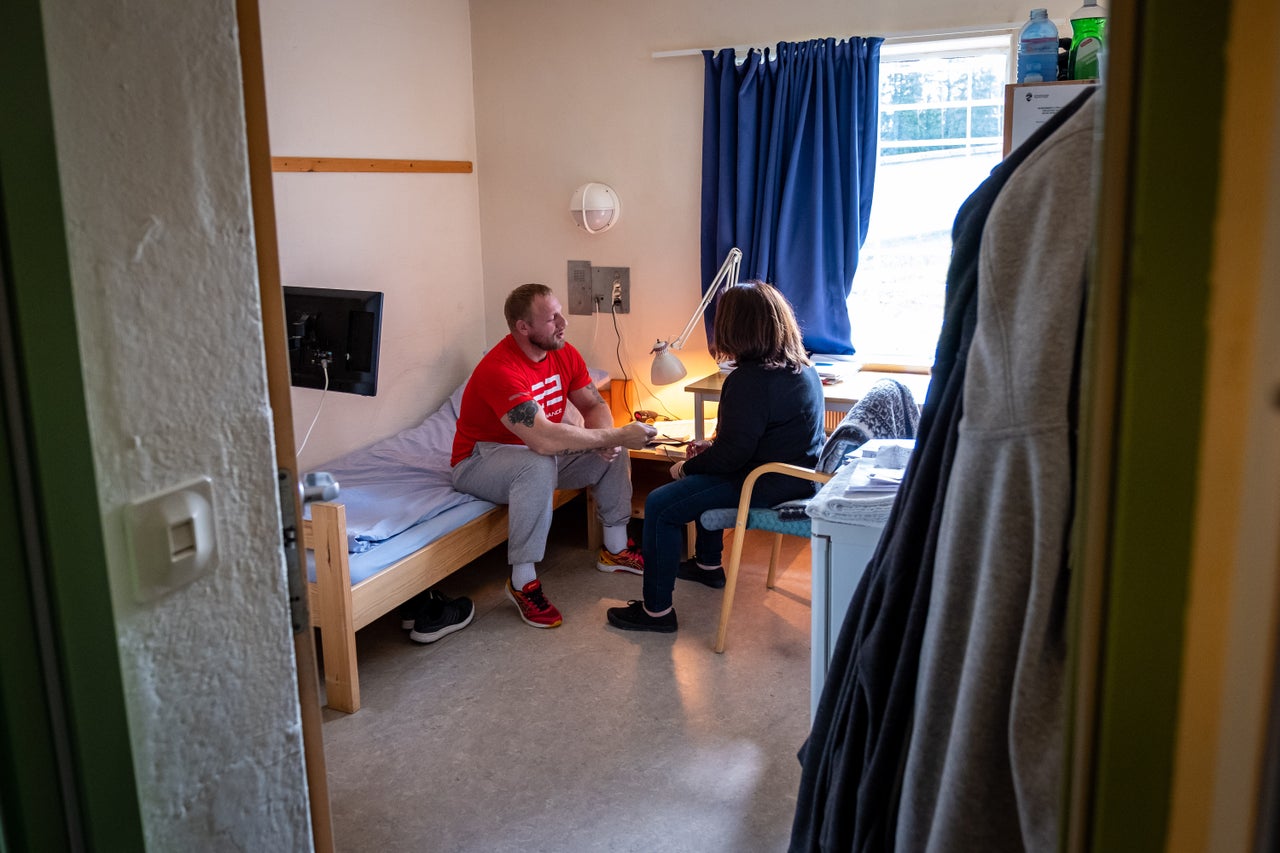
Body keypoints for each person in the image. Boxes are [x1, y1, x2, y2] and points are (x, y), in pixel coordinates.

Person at [606, 281, 826, 633]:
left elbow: (730, 459)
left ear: (734, 327)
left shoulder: (750, 381)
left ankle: (656, 613)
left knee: (662, 504)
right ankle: (708, 566)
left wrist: (685, 467)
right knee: (702, 475)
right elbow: (752, 440)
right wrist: (712, 453)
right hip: (795, 474)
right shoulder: (801, 366)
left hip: (767, 482)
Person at [451, 283, 657, 628]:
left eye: (561, 313)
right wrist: (613, 434)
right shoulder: (499, 370)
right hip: (479, 460)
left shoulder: (563, 352)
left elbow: (592, 403)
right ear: (523, 327)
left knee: (611, 446)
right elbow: (544, 440)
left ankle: (616, 549)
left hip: (533, 454)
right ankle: (522, 582)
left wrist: (607, 439)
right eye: (552, 318)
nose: (563, 323)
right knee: (540, 461)